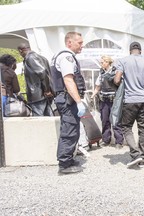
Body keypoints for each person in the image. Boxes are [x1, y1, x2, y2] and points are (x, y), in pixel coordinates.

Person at [114, 41, 144, 168]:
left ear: (130, 51)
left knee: (126, 127)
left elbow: (117, 80)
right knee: (143, 128)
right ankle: (142, 159)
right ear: (140, 51)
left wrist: (118, 80)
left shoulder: (122, 61)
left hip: (129, 100)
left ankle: (135, 154)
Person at [50, 32, 87, 174]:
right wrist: (78, 101)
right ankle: (64, 164)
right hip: (67, 99)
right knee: (69, 131)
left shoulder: (59, 55)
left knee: (71, 129)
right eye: (79, 43)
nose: (82, 46)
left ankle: (68, 159)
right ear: (69, 42)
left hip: (64, 98)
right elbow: (68, 79)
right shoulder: (66, 57)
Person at [91, 55, 124, 149]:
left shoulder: (115, 72)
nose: (101, 64)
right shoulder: (101, 73)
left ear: (107, 62)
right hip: (104, 99)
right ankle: (106, 140)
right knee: (105, 120)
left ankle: (119, 141)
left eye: (102, 62)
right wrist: (93, 95)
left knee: (116, 121)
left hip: (114, 100)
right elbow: (98, 86)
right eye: (101, 62)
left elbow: (120, 85)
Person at [17, 43, 54, 116]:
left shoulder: (30, 58)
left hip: (37, 94)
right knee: (48, 117)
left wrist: (47, 90)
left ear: (21, 51)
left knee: (38, 118)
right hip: (43, 94)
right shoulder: (41, 57)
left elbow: (42, 72)